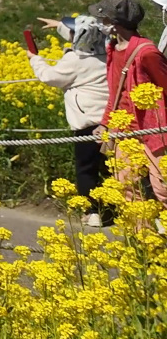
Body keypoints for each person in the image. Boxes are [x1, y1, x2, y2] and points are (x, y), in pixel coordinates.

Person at [29, 12, 112, 225]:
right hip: (110, 121)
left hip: (87, 123)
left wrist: (36, 60)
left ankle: (93, 213)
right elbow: (86, 36)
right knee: (110, 167)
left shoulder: (75, 59)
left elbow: (50, 77)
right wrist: (59, 25)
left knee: (86, 169)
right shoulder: (107, 54)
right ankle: (114, 208)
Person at [94, 0, 167, 203]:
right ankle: (141, 236)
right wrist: (105, 124)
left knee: (163, 189)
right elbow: (116, 93)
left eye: (103, 18)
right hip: (124, 132)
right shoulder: (113, 50)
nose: (100, 22)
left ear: (114, 23)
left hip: (155, 131)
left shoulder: (147, 53)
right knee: (127, 189)